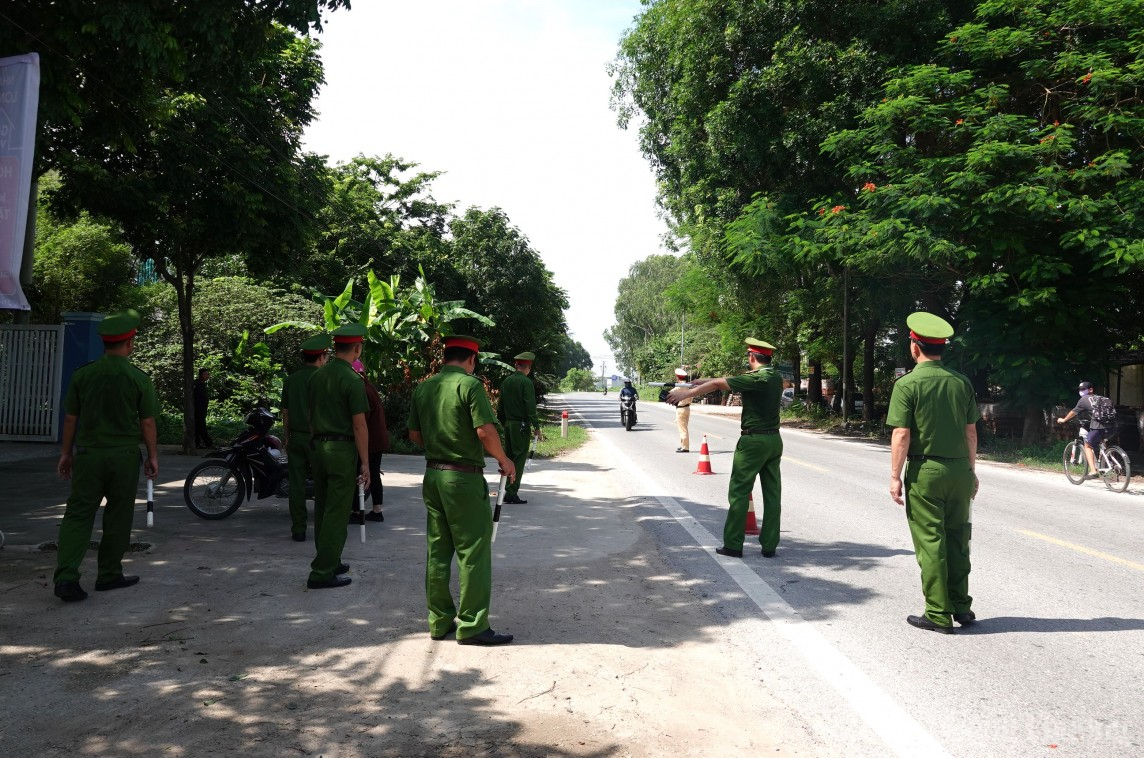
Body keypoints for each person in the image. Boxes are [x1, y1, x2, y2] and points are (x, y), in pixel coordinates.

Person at [408, 335, 517, 645]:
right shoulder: (470, 385)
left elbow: (415, 435)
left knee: (438, 551)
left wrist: (440, 444)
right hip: (463, 479)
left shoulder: (424, 387)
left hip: (433, 476)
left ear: (445, 357)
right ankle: (472, 625)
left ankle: (439, 621)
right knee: (473, 552)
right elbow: (485, 431)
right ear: (471, 359)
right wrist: (504, 460)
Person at [53, 309, 160, 602]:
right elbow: (147, 422)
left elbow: (71, 418)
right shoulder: (138, 378)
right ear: (130, 342)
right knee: (118, 514)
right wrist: (152, 456)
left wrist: (66, 453)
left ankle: (66, 577)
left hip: (88, 456)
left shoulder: (83, 374)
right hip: (123, 457)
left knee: (78, 514)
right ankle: (109, 574)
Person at [887, 312, 980, 634]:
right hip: (960, 469)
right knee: (958, 538)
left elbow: (901, 434)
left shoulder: (907, 384)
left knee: (931, 541)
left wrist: (895, 476)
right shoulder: (961, 382)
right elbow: (971, 432)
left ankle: (938, 613)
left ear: (915, 347)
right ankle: (961, 605)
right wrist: (971, 471)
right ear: (941, 347)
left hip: (926, 471)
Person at [666, 338, 783, 558]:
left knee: (739, 492)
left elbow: (720, 385)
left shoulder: (756, 378)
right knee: (772, 493)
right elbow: (724, 381)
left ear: (751, 356)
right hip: (774, 440)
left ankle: (733, 544)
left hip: (753, 442)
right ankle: (769, 545)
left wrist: (685, 394)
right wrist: (702, 381)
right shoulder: (775, 377)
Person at [305, 323, 370, 589]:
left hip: (319, 447)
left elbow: (311, 417)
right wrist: (365, 462)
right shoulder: (352, 380)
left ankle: (329, 559)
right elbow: (359, 425)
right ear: (357, 348)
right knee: (337, 511)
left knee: (322, 507)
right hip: (341, 450)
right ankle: (322, 572)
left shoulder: (317, 376)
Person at [281, 333, 331, 542]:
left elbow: (285, 413)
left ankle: (298, 529)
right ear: (321, 357)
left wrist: (287, 437)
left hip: (296, 437)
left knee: (296, 485)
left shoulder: (291, 380)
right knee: (322, 484)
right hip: (318, 439)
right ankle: (323, 529)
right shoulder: (324, 378)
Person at [499, 351, 540, 505]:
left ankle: (505, 490)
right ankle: (511, 493)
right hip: (521, 426)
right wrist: (536, 426)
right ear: (528, 367)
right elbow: (530, 406)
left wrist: (503, 422)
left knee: (508, 458)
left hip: (508, 424)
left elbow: (500, 406)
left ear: (516, 365)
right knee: (519, 459)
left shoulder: (507, 381)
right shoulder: (526, 383)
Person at [351, 358, 388, 522]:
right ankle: (377, 510)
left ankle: (357, 512)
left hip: (369, 440)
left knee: (359, 473)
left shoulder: (360, 390)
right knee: (374, 473)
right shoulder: (369, 387)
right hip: (378, 439)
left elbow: (361, 421)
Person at [1055, 381, 1105, 479]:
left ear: (1091, 390)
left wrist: (1064, 420)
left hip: (1097, 426)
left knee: (1088, 446)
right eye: (1080, 389)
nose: (1081, 391)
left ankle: (1093, 471)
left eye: (1083, 389)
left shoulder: (1084, 399)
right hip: (1111, 426)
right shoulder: (1101, 398)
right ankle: (1105, 463)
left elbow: (1073, 412)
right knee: (1101, 442)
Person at [673, 367, 692, 452]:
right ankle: (683, 445)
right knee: (684, 428)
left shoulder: (680, 386)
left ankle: (685, 447)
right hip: (687, 408)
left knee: (682, 429)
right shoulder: (688, 386)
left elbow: (671, 393)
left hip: (681, 409)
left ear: (677, 377)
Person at [193, 368, 213, 448]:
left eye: (208, 374)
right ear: (200, 375)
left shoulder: (202, 384)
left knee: (198, 427)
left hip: (202, 410)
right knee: (201, 427)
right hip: (198, 410)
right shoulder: (196, 384)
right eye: (205, 374)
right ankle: (208, 443)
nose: (207, 376)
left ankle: (197, 443)